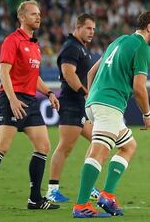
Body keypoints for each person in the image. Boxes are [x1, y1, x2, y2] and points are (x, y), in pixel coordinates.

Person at [71, 10, 150, 218]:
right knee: (99, 152)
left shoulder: (119, 40)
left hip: (96, 101)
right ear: (149, 27)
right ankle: (81, 205)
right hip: (109, 104)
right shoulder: (143, 48)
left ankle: (107, 195)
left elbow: (91, 72)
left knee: (128, 146)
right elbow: (139, 88)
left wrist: (91, 97)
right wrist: (147, 115)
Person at [0, 0, 60, 211]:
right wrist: (12, 99)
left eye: (39, 14)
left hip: (30, 101)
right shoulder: (12, 41)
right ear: (22, 17)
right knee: (2, 146)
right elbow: (3, 72)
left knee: (43, 146)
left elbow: (34, 77)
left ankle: (35, 199)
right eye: (33, 14)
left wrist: (49, 93)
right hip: (12, 97)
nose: (38, 17)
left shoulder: (35, 45)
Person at [47, 14, 98, 203]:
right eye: (88, 28)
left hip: (80, 105)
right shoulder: (71, 47)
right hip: (71, 103)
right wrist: (85, 93)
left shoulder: (81, 48)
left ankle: (88, 186)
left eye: (94, 29)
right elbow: (68, 73)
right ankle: (52, 190)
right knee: (65, 147)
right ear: (78, 27)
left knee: (98, 140)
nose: (92, 32)